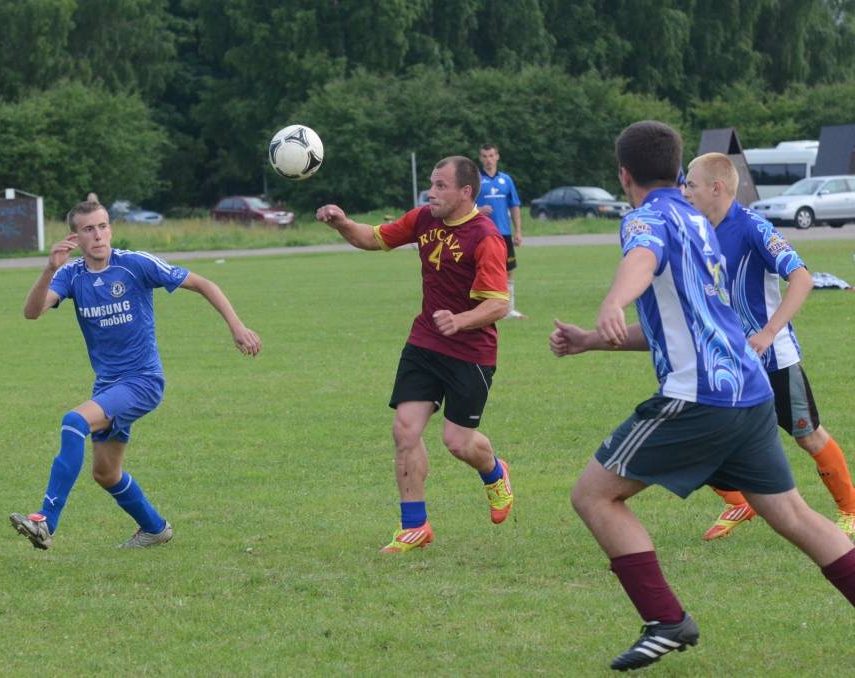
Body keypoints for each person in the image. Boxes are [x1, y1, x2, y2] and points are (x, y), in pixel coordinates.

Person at [549, 121, 855, 671]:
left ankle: (666, 620)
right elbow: (682, 324)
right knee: (794, 514)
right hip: (749, 392)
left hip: (700, 398)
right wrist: (593, 340)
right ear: (677, 170)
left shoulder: (645, 218)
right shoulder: (697, 219)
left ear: (624, 175)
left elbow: (641, 259)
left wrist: (614, 300)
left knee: (594, 495)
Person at [10, 200, 261, 550]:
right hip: (108, 386)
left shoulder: (135, 264)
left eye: (103, 226)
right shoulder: (71, 275)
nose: (98, 235)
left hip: (143, 381)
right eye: (88, 229)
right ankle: (155, 528)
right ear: (75, 238)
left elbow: (204, 283)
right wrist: (48, 271)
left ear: (110, 229)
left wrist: (237, 326)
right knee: (106, 473)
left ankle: (45, 521)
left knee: (74, 421)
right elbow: (32, 312)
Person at [316, 156, 515, 553]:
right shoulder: (424, 219)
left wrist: (460, 321)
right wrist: (342, 223)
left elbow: (498, 304)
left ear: (466, 192)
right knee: (405, 430)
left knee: (458, 442)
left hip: (471, 352)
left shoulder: (485, 237)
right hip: (425, 342)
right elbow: (372, 238)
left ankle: (495, 473)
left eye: (441, 186)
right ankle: (415, 525)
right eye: (431, 184)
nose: (431, 192)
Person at [683, 152, 855, 540]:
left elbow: (802, 279)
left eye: (691, 185)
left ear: (716, 187)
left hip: (773, 357)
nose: (685, 192)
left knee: (807, 434)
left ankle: (850, 508)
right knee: (697, 431)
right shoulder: (698, 231)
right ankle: (738, 501)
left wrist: (768, 332)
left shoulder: (754, 227)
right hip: (727, 359)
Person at [476, 144, 525, 318]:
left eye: (491, 156)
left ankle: (508, 309)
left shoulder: (506, 180)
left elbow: (514, 206)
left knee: (508, 271)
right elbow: (464, 205)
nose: (488, 160)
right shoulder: (475, 180)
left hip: (504, 233)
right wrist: (478, 210)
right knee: (484, 271)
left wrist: (518, 231)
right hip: (483, 234)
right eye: (485, 156)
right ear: (480, 158)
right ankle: (483, 309)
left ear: (497, 157)